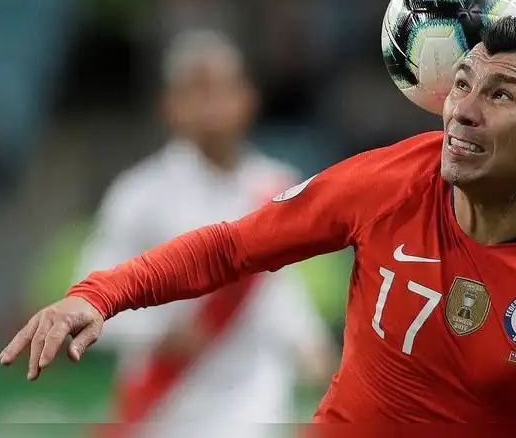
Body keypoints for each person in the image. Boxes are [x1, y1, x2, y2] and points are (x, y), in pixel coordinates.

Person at [0, 17, 516, 424]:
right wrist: (99, 295)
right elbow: (231, 250)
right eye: (462, 85)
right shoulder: (387, 182)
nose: (463, 110)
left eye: (500, 95)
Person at [76, 29, 335, 435]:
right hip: (169, 399)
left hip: (255, 394)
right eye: (197, 89)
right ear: (170, 105)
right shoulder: (139, 194)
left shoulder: (280, 185)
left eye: (223, 88)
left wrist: (310, 342)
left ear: (248, 98)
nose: (212, 103)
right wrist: (158, 334)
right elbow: (89, 293)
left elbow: (278, 286)